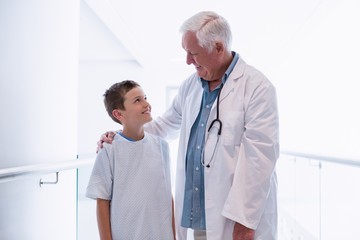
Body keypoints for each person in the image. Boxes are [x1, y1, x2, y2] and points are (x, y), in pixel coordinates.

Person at [98, 11, 279, 240]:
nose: (187, 61)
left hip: (236, 219)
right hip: (198, 218)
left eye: (193, 53)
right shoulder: (190, 86)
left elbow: (260, 158)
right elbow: (164, 126)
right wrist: (121, 136)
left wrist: (244, 221)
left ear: (218, 48)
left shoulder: (257, 87)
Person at [87, 80, 175, 240]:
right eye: (137, 100)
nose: (146, 104)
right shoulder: (109, 149)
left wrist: (174, 236)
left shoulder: (162, 146)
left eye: (145, 97)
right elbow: (102, 202)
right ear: (119, 114)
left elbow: (168, 197)